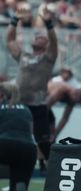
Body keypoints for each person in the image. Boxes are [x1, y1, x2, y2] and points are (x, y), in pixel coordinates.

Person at [7, 5, 57, 171]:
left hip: (38, 106)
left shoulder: (48, 58)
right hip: (19, 103)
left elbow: (54, 42)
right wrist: (15, 19)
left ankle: (51, 171)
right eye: (37, 35)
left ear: (46, 44)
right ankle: (15, 169)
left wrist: (49, 25)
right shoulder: (24, 56)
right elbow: (10, 41)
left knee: (43, 141)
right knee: (17, 136)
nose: (38, 36)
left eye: (42, 36)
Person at [0, 82, 36, 191]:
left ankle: (15, 186)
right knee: (19, 175)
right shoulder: (26, 109)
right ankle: (19, 187)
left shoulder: (1, 106)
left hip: (5, 144)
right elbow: (31, 131)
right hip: (28, 149)